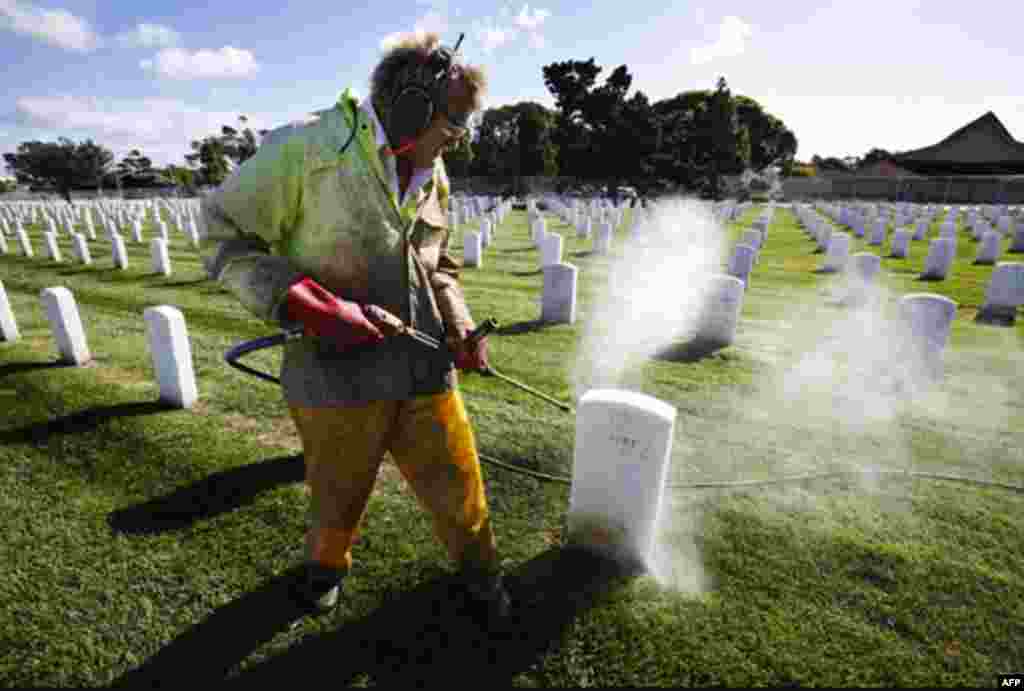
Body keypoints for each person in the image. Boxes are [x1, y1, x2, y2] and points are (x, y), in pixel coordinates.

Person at [199, 31, 510, 625]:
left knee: (459, 479)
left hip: (422, 368)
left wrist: (461, 322)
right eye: (456, 124)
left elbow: (438, 265)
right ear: (414, 110)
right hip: (332, 371)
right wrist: (310, 305)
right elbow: (220, 235)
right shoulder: (306, 150)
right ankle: (324, 568)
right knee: (337, 488)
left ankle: (481, 574)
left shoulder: (433, 172)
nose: (461, 141)